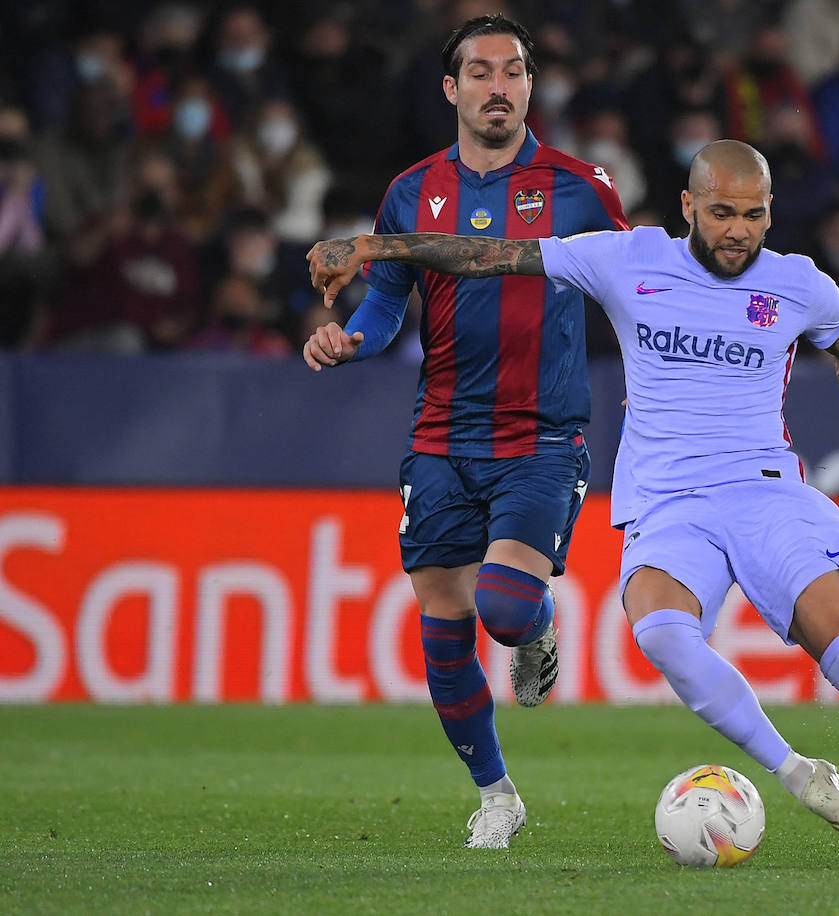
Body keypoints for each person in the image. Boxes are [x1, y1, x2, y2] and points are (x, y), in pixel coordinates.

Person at [306, 139, 839, 869]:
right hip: (670, 502)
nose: (737, 230)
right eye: (720, 213)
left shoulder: (798, 283)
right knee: (662, 635)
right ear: (688, 207)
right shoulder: (630, 259)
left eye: (753, 214)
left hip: (765, 495)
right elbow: (487, 256)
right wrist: (368, 246)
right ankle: (798, 772)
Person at [301, 14, 628, 850]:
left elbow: (638, 290)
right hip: (442, 435)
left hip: (544, 434)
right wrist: (353, 341)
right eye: (479, 73)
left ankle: (536, 626)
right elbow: (383, 301)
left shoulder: (581, 185)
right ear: (452, 90)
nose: (498, 87)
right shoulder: (412, 191)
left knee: (506, 609)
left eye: (513, 72)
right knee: (443, 626)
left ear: (530, 86)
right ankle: (498, 797)